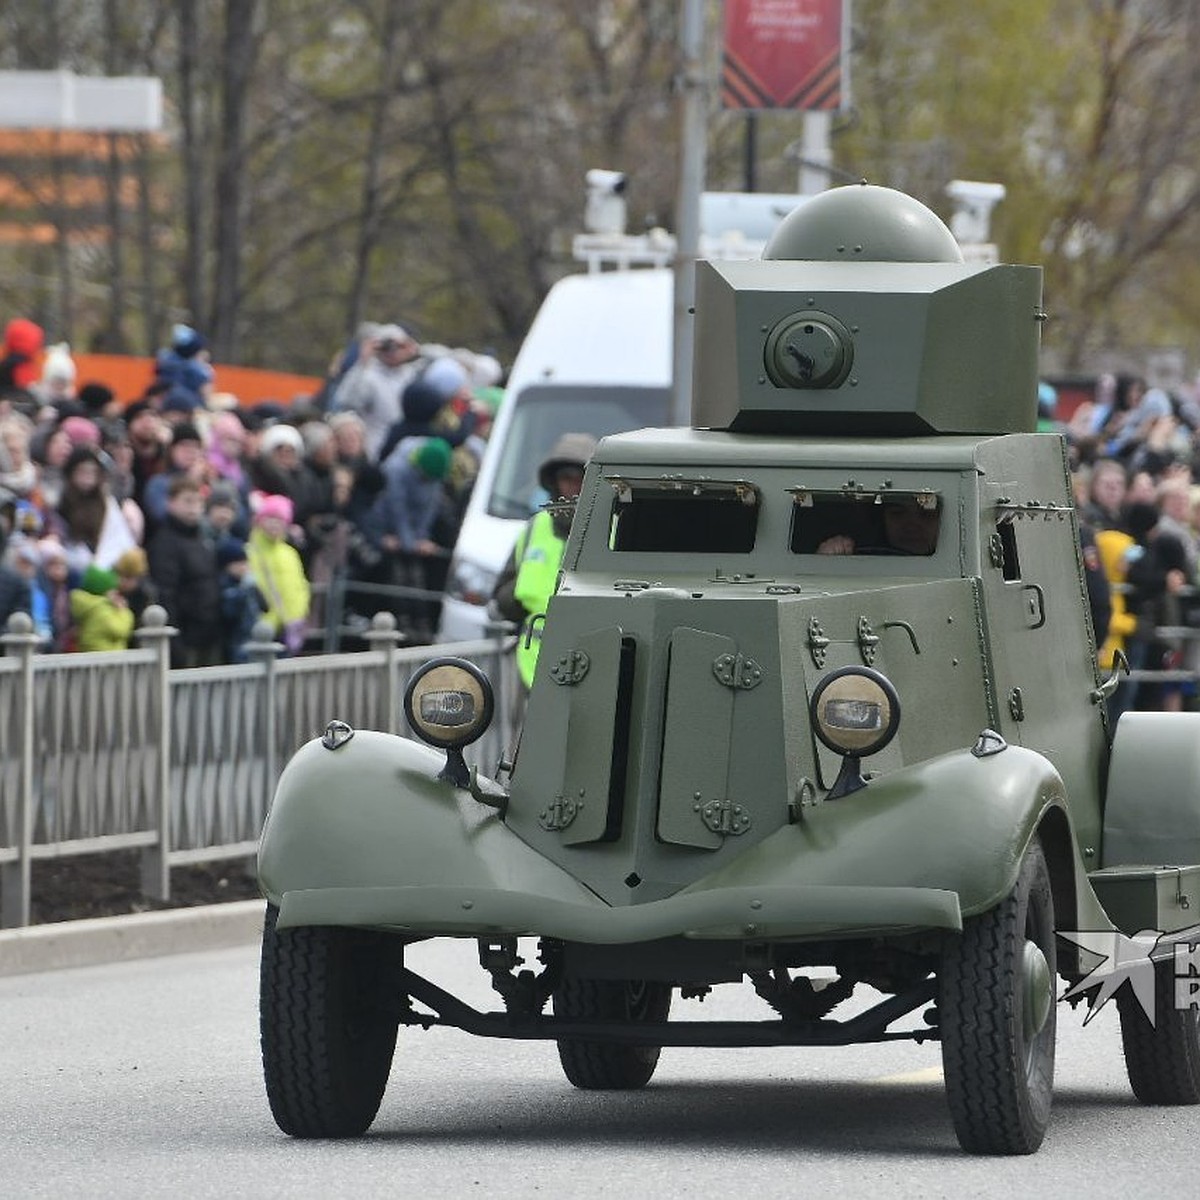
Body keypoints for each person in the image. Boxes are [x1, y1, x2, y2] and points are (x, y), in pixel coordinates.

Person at [492, 432, 596, 689]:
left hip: (595, 666)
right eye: (566, 479)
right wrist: (519, 594)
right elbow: (502, 596)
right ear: (554, 482)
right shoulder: (533, 529)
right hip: (533, 665)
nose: (573, 487)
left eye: (581, 479)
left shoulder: (616, 528)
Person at [147, 475, 223, 667]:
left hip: (209, 635)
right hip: (185, 637)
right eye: (187, 501)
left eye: (198, 501)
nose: (193, 507)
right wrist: (175, 644)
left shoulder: (203, 539)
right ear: (170, 503)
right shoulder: (164, 542)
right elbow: (165, 594)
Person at [330, 323, 424, 461]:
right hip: (373, 444)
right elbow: (347, 401)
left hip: (402, 444)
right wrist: (362, 362)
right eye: (388, 345)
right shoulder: (367, 373)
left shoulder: (410, 374)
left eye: (398, 346)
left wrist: (413, 350)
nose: (393, 351)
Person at [246, 493, 311, 655]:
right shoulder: (250, 551)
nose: (275, 524)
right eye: (270, 517)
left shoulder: (290, 553)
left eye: (280, 519)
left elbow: (301, 585)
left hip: (289, 626)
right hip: (261, 627)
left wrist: (300, 611)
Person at [816, 496, 941, 556]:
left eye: (927, 515)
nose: (911, 526)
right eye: (897, 514)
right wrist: (826, 561)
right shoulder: (861, 560)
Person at [69, 563, 135, 652]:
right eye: (112, 589)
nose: (116, 592)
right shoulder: (101, 609)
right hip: (105, 659)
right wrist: (123, 611)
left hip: (90, 656)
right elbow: (120, 630)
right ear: (103, 590)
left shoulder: (87, 604)